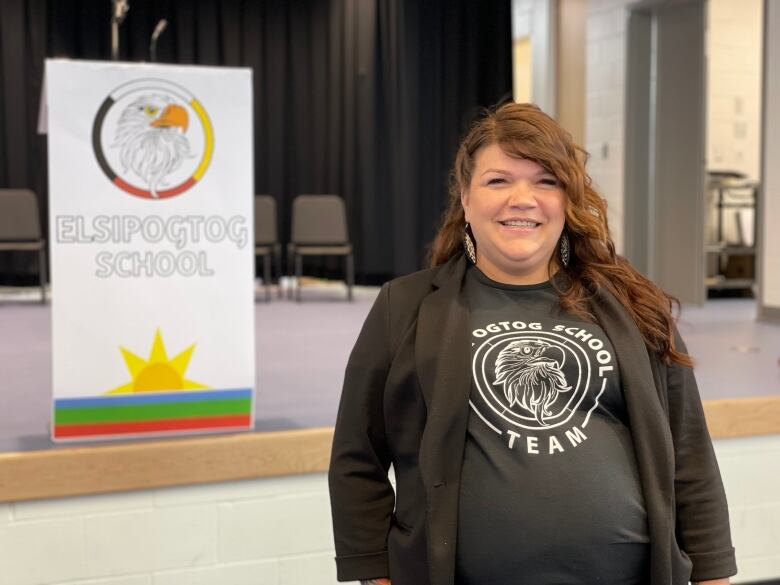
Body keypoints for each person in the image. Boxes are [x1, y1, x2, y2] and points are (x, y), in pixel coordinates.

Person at [328, 102, 736, 585]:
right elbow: (358, 455)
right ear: (465, 196)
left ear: (568, 199)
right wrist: (375, 573)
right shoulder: (406, 305)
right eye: (498, 181)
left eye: (546, 181)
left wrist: (712, 573)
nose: (523, 198)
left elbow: (689, 453)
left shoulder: (633, 305)